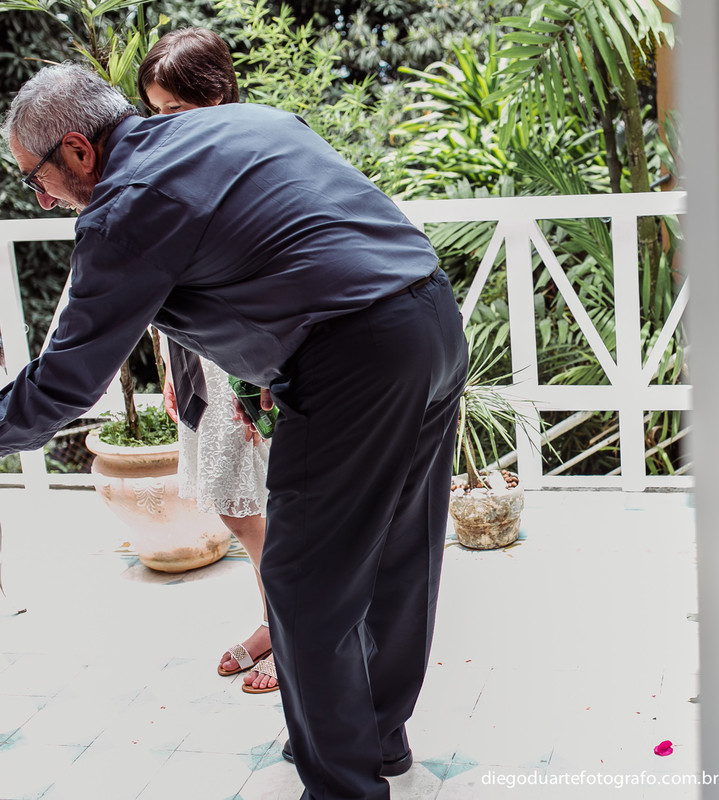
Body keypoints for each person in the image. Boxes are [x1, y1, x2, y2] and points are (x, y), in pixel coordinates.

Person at [1, 63, 468, 799]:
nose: (42, 197)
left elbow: (66, 380)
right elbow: (296, 236)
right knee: (398, 555)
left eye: (36, 177)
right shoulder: (240, 123)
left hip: (355, 359)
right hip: (432, 319)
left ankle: (343, 786)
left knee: (302, 581)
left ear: (79, 150)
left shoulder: (125, 206)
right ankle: (376, 739)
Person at [137, 27, 278, 695]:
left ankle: (292, 633)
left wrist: (258, 378)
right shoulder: (177, 162)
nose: (163, 124)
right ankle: (275, 622)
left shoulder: (247, 158)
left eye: (175, 109)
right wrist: (172, 363)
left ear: (218, 94)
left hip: (244, 358)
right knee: (238, 510)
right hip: (198, 357)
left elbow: (268, 275)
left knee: (260, 509)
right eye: (154, 112)